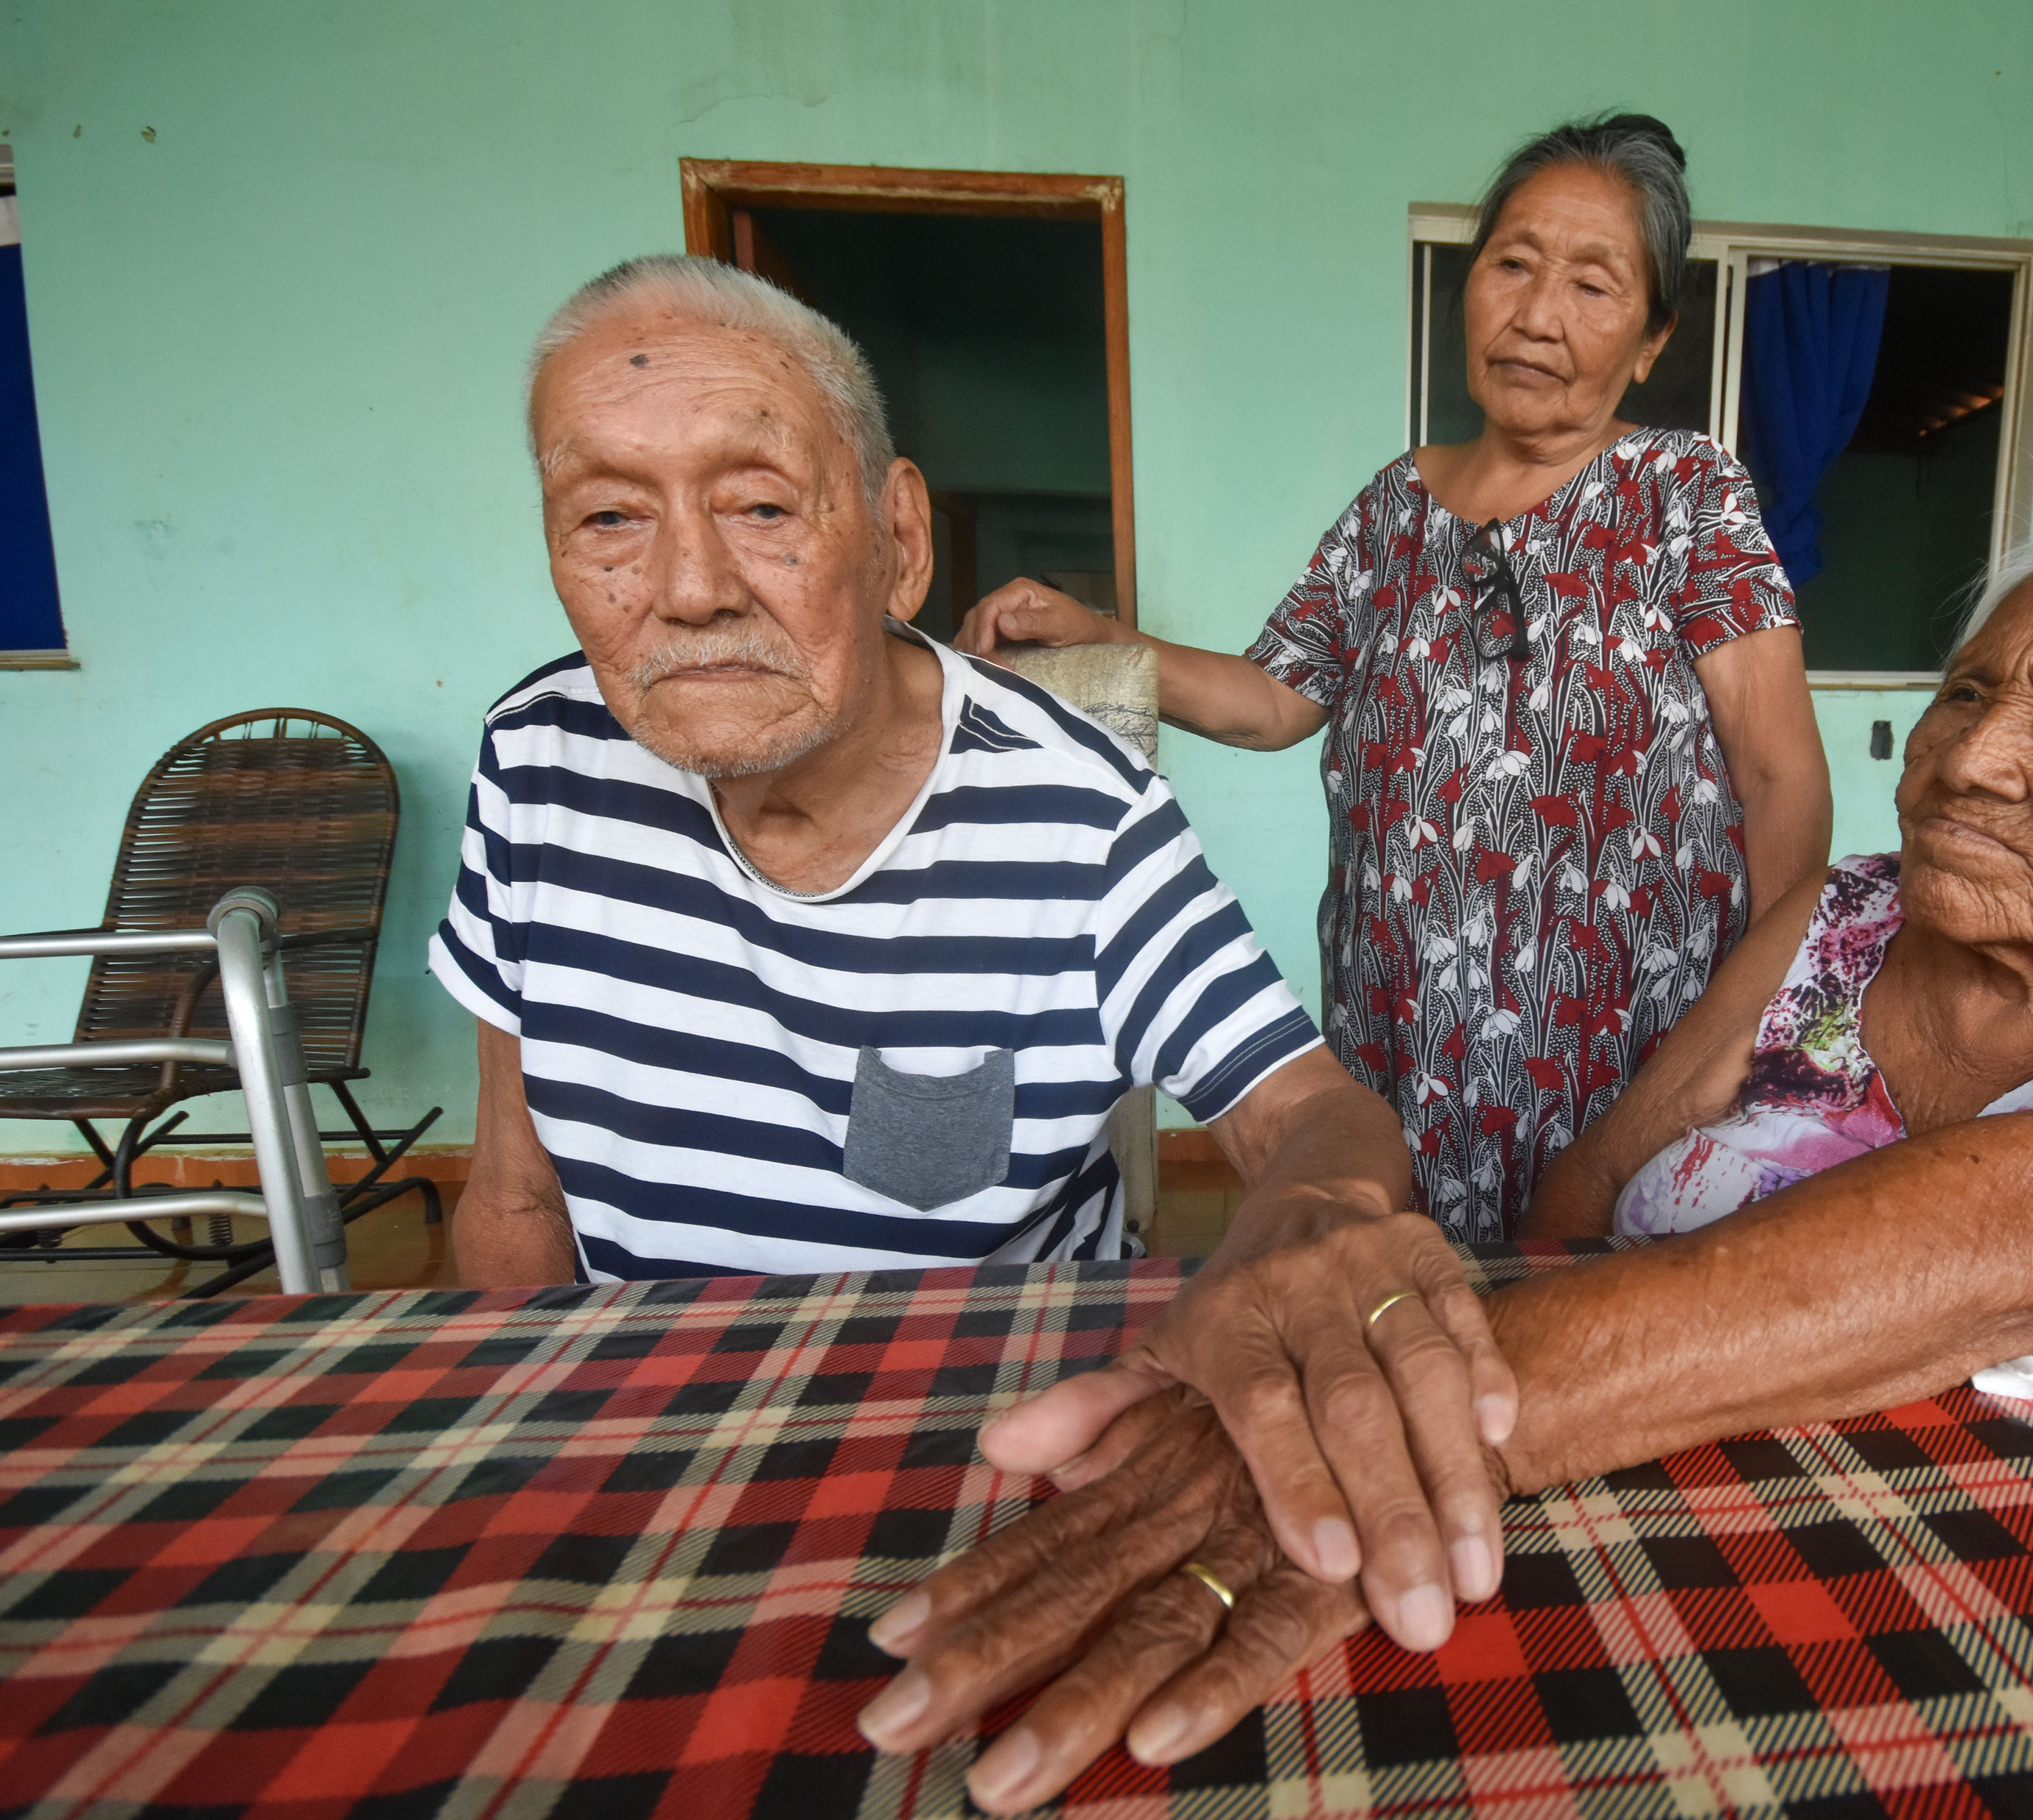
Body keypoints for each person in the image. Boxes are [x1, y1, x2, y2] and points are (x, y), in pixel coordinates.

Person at [859, 503, 2033, 1813]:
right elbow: (1577, 1198)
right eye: (1971, 692)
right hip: (1593, 1510)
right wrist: (1389, 1395)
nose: (1968, 760)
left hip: (2018, 1650)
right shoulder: (1836, 921)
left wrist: (1399, 1432)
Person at [429, 256, 1522, 1652]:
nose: (687, 590)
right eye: (607, 518)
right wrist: (527, 1500)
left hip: (976, 1464)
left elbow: (1314, 1113)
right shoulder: (539, 761)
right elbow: (514, 1193)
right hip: (643, 1449)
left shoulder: (1075, 809)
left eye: (761, 506)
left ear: (899, 536)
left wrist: (1310, 1234)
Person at [957, 115, 1833, 1239]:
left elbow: (1780, 781)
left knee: (1603, 1326)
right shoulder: (1393, 509)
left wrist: (1753, 1031)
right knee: (1409, 1329)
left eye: (1593, 285)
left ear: (1653, 339)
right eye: (1512, 264)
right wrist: (1101, 634)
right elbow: (1273, 700)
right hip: (1405, 1037)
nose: (1537, 316)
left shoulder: (1688, 497)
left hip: (1630, 1055)